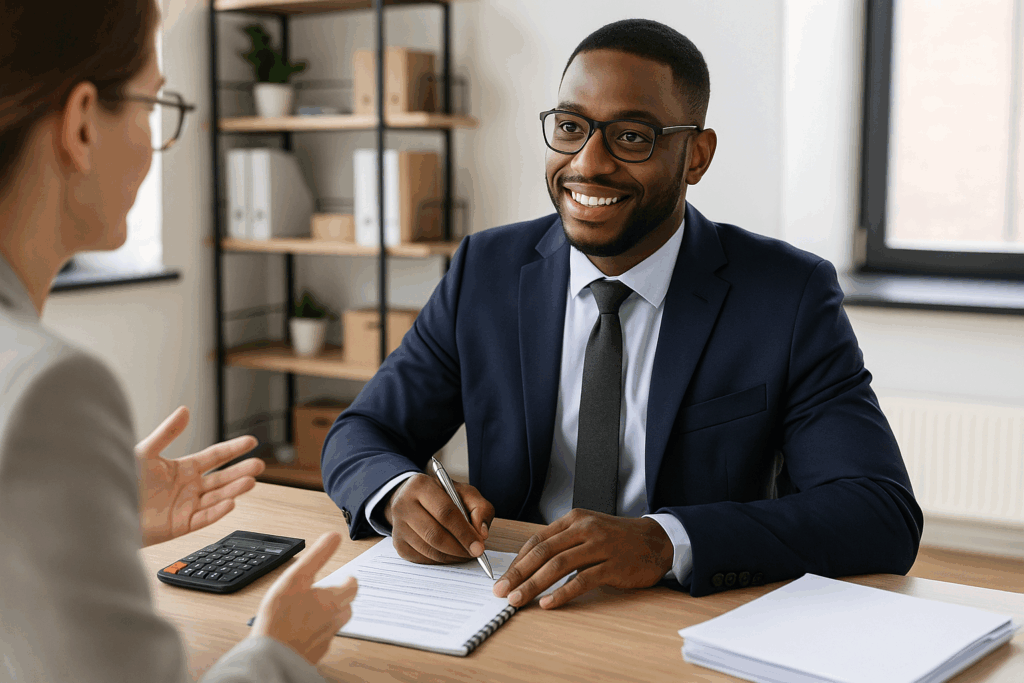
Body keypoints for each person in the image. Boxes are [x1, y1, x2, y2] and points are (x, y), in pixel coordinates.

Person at [321, 18, 923, 606]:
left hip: (683, 614)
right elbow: (363, 432)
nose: (588, 163)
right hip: (506, 598)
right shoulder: (487, 269)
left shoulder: (787, 295)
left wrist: (665, 542)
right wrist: (396, 492)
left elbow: (878, 510)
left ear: (696, 155)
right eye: (570, 127)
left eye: (631, 137)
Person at [0, 1, 357, 681]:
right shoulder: (49, 386)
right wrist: (277, 651)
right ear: (80, 124)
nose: (157, 136)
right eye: (153, 103)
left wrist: (86, 520)